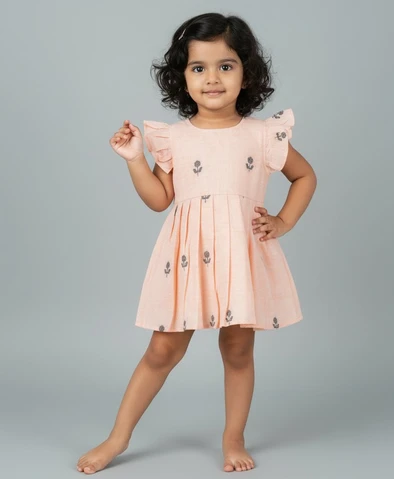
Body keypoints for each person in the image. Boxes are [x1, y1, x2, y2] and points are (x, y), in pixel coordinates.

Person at [77, 12, 317, 474]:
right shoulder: (174, 139)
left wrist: (284, 221)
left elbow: (305, 176)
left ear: (246, 72)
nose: (212, 78)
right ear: (182, 76)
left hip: (241, 255)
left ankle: (233, 438)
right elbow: (159, 200)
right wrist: (135, 160)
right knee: (163, 350)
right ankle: (117, 438)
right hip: (187, 258)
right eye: (198, 67)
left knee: (238, 350)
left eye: (226, 66)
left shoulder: (263, 135)